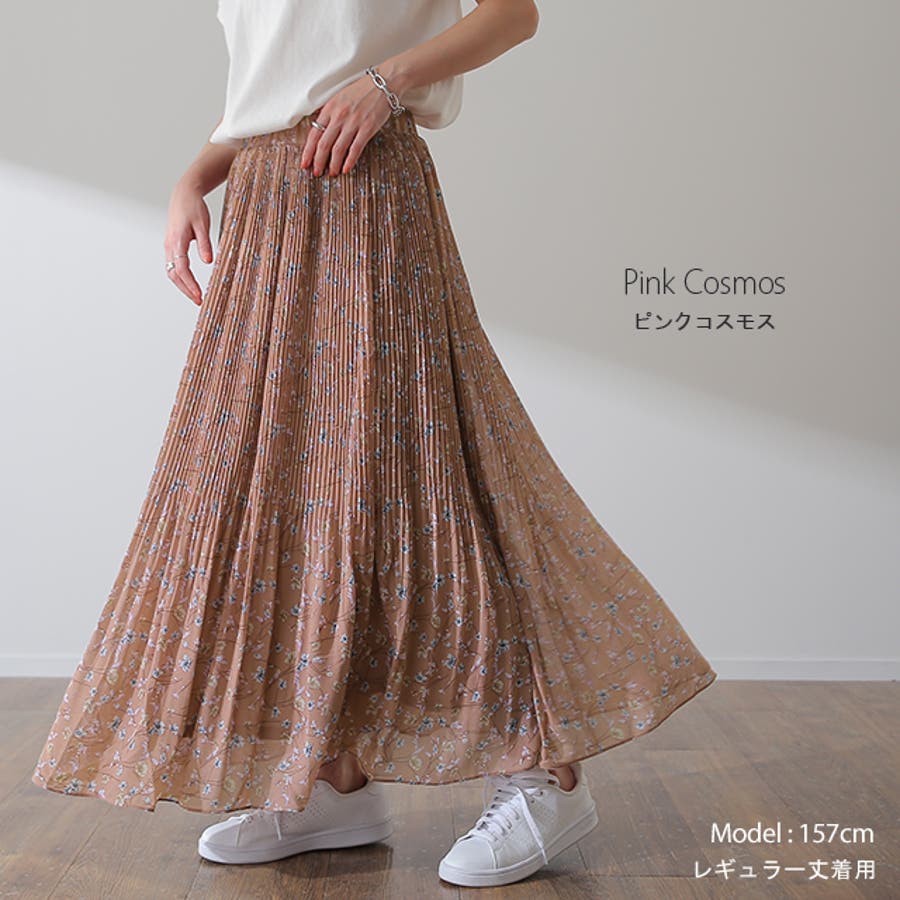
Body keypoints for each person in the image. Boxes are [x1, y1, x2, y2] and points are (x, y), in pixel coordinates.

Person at [31, 0, 717, 889]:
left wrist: (386, 85)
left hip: (366, 190)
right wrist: (196, 174)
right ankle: (331, 780)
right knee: (290, 492)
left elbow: (513, 13)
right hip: (265, 207)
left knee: (427, 475)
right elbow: (277, 82)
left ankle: (544, 775)